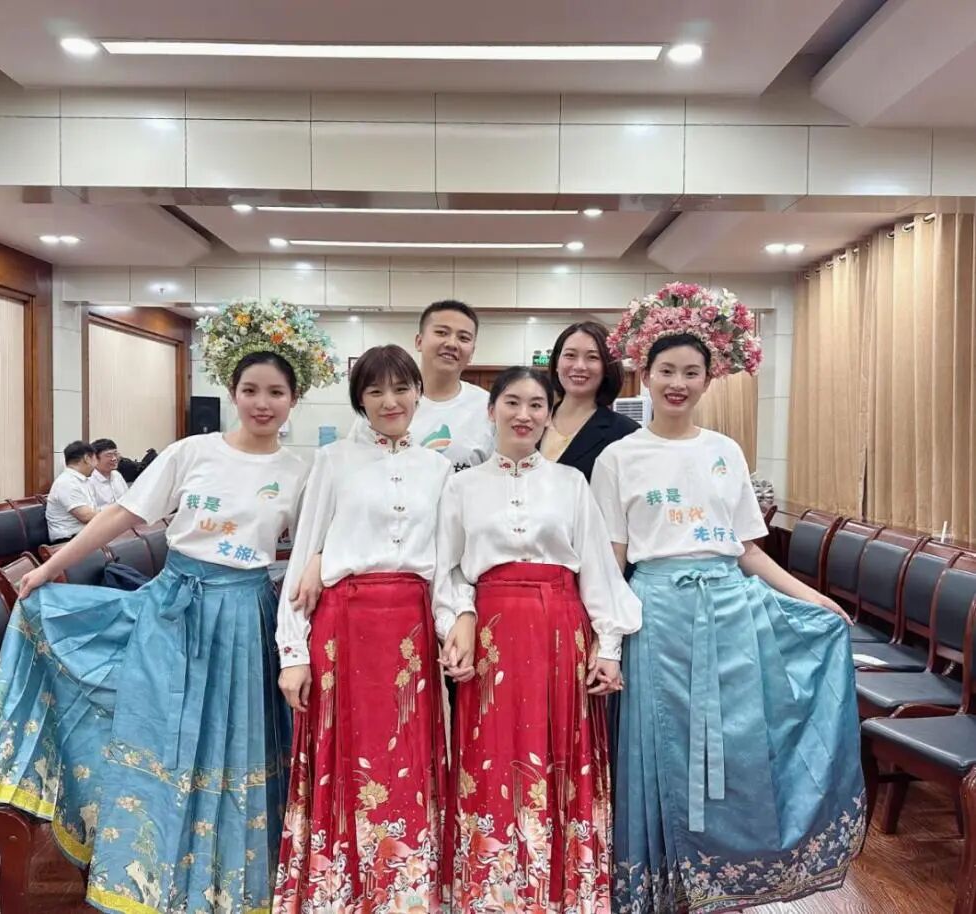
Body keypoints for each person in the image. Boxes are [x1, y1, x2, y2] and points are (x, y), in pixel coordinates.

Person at [0, 300, 342, 914]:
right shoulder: (192, 452)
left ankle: (231, 885)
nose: (262, 402)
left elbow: (317, 541)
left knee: (233, 744)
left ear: (294, 399)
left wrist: (321, 561)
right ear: (233, 392)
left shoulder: (302, 470)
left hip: (245, 617)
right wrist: (52, 567)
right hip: (171, 610)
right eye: (250, 390)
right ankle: (151, 874)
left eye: (276, 392)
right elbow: (122, 515)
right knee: (162, 737)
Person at [591, 283, 864, 913]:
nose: (678, 383)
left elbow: (749, 550)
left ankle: (725, 874)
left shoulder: (724, 452)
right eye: (666, 371)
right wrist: (601, 637)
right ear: (645, 375)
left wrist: (814, 599)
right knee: (662, 748)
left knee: (738, 743)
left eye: (691, 372)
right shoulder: (618, 457)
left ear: (708, 380)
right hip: (656, 617)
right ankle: (663, 880)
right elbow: (614, 560)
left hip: (732, 611)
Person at [434, 366, 641, 912]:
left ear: (550, 415)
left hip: (561, 632)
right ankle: (491, 888)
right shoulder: (460, 486)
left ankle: (564, 888)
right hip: (493, 636)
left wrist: (609, 645)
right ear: (491, 410)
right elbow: (446, 569)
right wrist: (459, 618)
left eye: (536, 405)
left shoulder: (571, 483)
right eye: (512, 403)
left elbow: (596, 567)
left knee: (559, 754)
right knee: (490, 754)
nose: (523, 415)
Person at [274, 344, 452, 911]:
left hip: (411, 627)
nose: (389, 401)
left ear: (418, 393)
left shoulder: (439, 469)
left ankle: (406, 889)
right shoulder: (333, 461)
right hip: (343, 623)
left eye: (401, 388)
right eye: (375, 391)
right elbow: (305, 553)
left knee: (408, 755)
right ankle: (339, 890)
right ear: (359, 401)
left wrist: (452, 626)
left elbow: (447, 560)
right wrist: (292, 652)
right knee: (344, 756)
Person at [351, 300, 495, 472]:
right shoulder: (384, 404)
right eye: (441, 332)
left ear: (472, 352)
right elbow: (354, 468)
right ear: (419, 341)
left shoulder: (488, 409)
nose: (451, 344)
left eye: (463, 338)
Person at [541, 320, 640, 480]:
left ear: (607, 367)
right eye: (570, 355)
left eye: (592, 357)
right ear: (557, 363)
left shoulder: (626, 433)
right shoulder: (533, 420)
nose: (579, 366)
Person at [45, 440, 99, 542]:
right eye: (95, 459)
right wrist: (112, 514)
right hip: (68, 540)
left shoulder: (81, 480)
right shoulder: (67, 482)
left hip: (84, 536)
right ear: (87, 459)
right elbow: (86, 516)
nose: (96, 465)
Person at [89, 438, 129, 508]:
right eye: (109, 455)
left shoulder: (117, 475)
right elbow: (90, 510)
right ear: (95, 458)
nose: (114, 458)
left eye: (115, 454)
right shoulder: (89, 481)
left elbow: (127, 499)